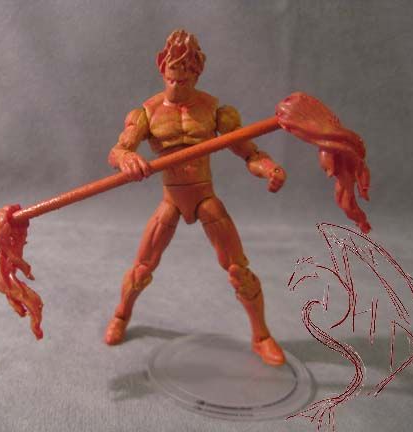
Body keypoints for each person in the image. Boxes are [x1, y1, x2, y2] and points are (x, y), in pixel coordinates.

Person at [104, 29, 287, 366]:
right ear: (162, 68)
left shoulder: (215, 110)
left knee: (238, 270)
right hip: (171, 200)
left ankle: (261, 336)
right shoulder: (146, 113)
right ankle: (121, 315)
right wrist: (127, 159)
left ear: (198, 73)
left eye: (186, 77)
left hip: (204, 197)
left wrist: (270, 169)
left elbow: (249, 153)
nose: (178, 83)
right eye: (173, 76)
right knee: (142, 268)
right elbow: (117, 151)